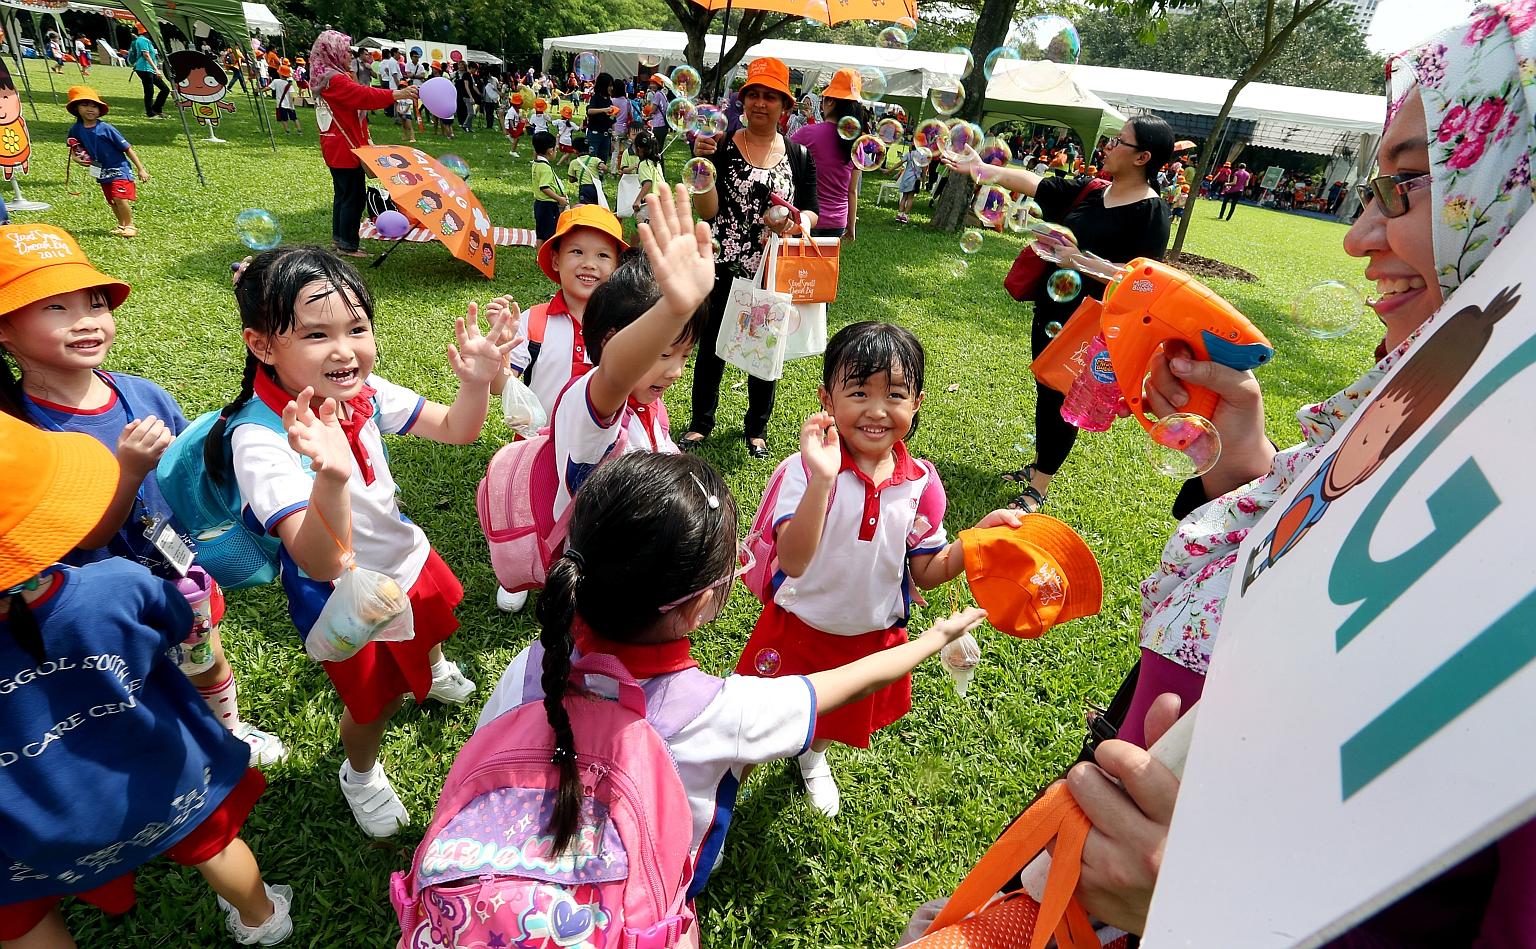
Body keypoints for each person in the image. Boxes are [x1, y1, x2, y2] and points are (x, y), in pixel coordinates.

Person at [964, 10, 1536, 942]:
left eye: (1408, 186)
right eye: (1370, 187)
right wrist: (1247, 468)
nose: (1356, 239)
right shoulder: (1440, 379)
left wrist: (1211, 905)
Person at [477, 451, 988, 897]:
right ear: (700, 603)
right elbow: (845, 684)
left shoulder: (532, 664)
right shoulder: (722, 711)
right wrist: (932, 640)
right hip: (647, 891)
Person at [214, 247, 515, 837]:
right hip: (344, 597)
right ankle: (360, 772)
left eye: (358, 327)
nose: (345, 350)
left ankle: (430, 665)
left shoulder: (364, 392)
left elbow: (457, 430)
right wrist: (330, 474)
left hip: (405, 560)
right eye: (316, 334)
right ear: (262, 345)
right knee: (373, 705)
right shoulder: (261, 437)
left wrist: (477, 384)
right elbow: (322, 559)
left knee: (429, 631)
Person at [0, 221, 288, 767]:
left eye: (94, 303)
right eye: (54, 308)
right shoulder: (21, 431)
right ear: (4, 331)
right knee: (137, 677)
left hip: (179, 572)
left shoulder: (138, 392)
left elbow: (187, 474)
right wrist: (128, 470)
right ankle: (164, 753)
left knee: (205, 658)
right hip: (98, 596)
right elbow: (88, 537)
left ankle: (227, 733)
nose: (86, 321)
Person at [0, 413, 294, 947]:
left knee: (19, 917)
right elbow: (180, 626)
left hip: (26, 818)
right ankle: (264, 919)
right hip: (162, 770)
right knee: (215, 842)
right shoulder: (117, 585)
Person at [734, 322, 1023, 815]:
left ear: (917, 403)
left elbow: (927, 570)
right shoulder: (805, 468)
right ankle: (730, 780)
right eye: (858, 392)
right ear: (827, 398)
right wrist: (824, 480)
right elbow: (796, 561)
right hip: (797, 625)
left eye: (894, 394)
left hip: (870, 633)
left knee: (834, 715)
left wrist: (975, 540)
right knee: (756, 719)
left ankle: (812, 757)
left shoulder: (921, 484)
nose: (876, 410)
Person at [945, 115, 1173, 511]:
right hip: (1053, 308)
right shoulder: (1093, 190)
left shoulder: (1151, 212)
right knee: (1045, 390)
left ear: (1143, 157)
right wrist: (982, 168)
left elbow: (1142, 280)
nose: (1109, 147)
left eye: (1119, 142)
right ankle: (1039, 467)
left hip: (1093, 323)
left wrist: (1081, 260)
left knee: (1064, 398)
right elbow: (1035, 184)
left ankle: (1040, 487)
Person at [680, 57, 820, 460]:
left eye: (770, 96)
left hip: (771, 267)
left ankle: (757, 428)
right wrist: (702, 169)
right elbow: (708, 211)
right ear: (743, 101)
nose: (760, 103)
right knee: (712, 345)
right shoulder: (719, 145)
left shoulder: (800, 155)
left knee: (766, 346)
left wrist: (796, 222)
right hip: (724, 262)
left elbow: (812, 210)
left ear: (785, 107)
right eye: (753, 94)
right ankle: (700, 423)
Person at [309, 30, 418, 258]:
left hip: (334, 147)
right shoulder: (336, 79)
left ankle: (339, 240)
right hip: (344, 148)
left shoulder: (326, 76)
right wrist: (397, 94)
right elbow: (363, 96)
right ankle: (348, 245)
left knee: (343, 195)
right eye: (346, 50)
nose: (350, 55)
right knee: (353, 196)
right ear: (334, 51)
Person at [65, 86, 150, 238]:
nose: (90, 109)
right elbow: (74, 147)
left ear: (99, 110)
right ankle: (121, 225)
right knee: (112, 201)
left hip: (119, 168)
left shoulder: (106, 128)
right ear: (76, 108)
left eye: (94, 106)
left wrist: (141, 169)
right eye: (85, 105)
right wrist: (76, 158)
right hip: (101, 170)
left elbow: (128, 149)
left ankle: (130, 225)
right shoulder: (76, 129)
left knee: (119, 197)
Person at [791, 67, 865, 242]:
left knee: (801, 269)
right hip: (837, 222)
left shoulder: (806, 134)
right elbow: (852, 191)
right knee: (824, 269)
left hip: (806, 219)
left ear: (830, 102)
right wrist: (851, 225)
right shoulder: (857, 143)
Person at [530, 130, 569, 247]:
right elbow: (544, 187)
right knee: (550, 234)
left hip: (539, 204)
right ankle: (547, 256)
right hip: (548, 205)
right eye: (555, 149)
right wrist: (559, 199)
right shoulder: (545, 168)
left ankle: (539, 257)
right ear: (550, 151)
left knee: (541, 233)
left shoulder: (536, 163)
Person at [129, 28, 170, 119]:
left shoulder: (144, 40)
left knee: (165, 89)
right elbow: (146, 55)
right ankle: (150, 113)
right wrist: (156, 69)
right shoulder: (142, 40)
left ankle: (156, 109)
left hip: (148, 69)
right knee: (149, 91)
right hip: (144, 68)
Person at [632, 128, 664, 221]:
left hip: (650, 203)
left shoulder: (643, 164)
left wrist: (638, 200)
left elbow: (648, 183)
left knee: (643, 228)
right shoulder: (656, 163)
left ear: (638, 148)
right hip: (662, 200)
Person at [584, 71, 615, 164]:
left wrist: (612, 138)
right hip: (595, 133)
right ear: (603, 86)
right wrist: (604, 110)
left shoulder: (609, 100)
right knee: (592, 159)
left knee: (603, 159)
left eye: (612, 86)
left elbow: (611, 121)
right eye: (609, 86)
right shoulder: (596, 98)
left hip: (606, 135)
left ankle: (600, 178)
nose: (611, 88)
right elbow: (590, 111)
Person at [895, 140, 926, 224]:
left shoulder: (909, 154)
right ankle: (905, 215)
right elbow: (924, 170)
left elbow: (900, 163)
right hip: (915, 178)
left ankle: (899, 214)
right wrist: (923, 181)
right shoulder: (923, 156)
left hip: (906, 177)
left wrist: (889, 170)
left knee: (904, 196)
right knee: (910, 198)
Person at [567, 140, 605, 206]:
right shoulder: (595, 159)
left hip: (585, 188)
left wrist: (577, 177)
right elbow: (604, 167)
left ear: (575, 151)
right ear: (589, 149)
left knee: (585, 207)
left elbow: (571, 180)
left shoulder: (574, 162)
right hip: (596, 187)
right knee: (597, 206)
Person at [268, 65, 300, 133]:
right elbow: (293, 95)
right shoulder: (289, 85)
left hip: (281, 104)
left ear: (280, 73)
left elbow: (269, 88)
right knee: (294, 118)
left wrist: (260, 90)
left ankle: (287, 131)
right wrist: (292, 104)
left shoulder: (276, 81)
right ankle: (299, 130)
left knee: (284, 119)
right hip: (290, 105)